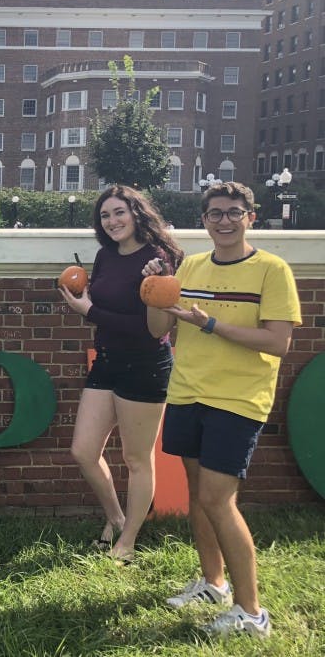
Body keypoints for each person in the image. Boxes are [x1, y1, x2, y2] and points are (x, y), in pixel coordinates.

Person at [144, 182, 300, 638]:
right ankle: (214, 584)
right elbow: (159, 327)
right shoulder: (189, 267)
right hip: (188, 392)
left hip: (238, 398)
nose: (225, 221)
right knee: (198, 493)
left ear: (251, 216)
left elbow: (278, 342)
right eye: (215, 214)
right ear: (204, 220)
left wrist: (209, 323)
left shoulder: (272, 270)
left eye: (234, 212)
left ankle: (252, 613)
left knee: (217, 498)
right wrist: (153, 289)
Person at [59, 185, 183, 565]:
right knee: (83, 450)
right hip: (108, 360)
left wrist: (87, 312)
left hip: (145, 365)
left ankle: (127, 542)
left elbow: (150, 329)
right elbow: (99, 301)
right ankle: (115, 516)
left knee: (136, 458)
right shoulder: (105, 255)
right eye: (105, 216)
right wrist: (83, 296)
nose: (112, 221)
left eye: (118, 213)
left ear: (136, 214)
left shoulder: (157, 261)